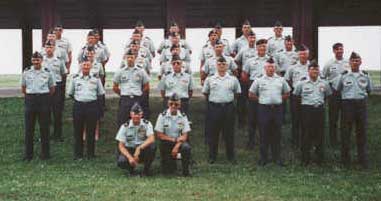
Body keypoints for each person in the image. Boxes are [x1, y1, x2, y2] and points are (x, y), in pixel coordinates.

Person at [332, 52, 373, 169]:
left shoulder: (365, 76)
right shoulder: (344, 76)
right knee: (345, 133)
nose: (355, 63)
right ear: (349, 63)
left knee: (361, 133)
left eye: (357, 60)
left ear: (360, 62)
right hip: (347, 105)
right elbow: (337, 88)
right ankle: (345, 160)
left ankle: (362, 160)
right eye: (353, 61)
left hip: (361, 105)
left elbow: (369, 90)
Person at [248, 57, 290, 166]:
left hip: (277, 109)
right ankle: (263, 159)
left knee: (277, 134)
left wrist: (279, 100)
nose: (271, 69)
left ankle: (277, 158)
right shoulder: (259, 80)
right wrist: (261, 100)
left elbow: (287, 93)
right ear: (265, 68)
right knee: (264, 134)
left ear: (275, 68)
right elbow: (251, 94)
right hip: (264, 110)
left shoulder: (281, 80)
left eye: (272, 67)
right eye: (268, 67)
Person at [202, 57, 241, 164]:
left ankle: (231, 156)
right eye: (219, 64)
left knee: (229, 133)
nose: (222, 66)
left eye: (224, 64)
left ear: (227, 65)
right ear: (216, 65)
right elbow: (206, 93)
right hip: (214, 108)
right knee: (213, 133)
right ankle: (212, 156)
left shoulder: (233, 79)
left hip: (228, 108)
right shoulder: (210, 79)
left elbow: (237, 93)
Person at [293, 61, 332, 166]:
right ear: (308, 71)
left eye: (316, 69)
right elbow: (296, 96)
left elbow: (328, 95)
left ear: (319, 71)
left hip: (319, 110)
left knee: (320, 135)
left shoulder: (324, 83)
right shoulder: (301, 83)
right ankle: (305, 159)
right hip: (306, 110)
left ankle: (320, 159)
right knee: (306, 134)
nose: (315, 71)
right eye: (312, 69)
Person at [68, 58, 105, 159]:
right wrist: (80, 100)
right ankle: (78, 154)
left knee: (91, 131)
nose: (86, 67)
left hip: (92, 106)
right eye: (84, 65)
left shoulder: (96, 79)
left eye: (88, 65)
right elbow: (70, 93)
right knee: (78, 131)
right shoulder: (75, 79)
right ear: (81, 66)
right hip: (79, 106)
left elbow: (100, 93)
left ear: (91, 66)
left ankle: (90, 154)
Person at [21, 52, 55, 161]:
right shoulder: (26, 72)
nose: (36, 62)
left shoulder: (47, 72)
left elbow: (52, 88)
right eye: (34, 60)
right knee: (29, 129)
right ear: (32, 61)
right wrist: (32, 95)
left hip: (43, 100)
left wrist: (43, 96)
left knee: (44, 128)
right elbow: (23, 88)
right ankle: (28, 155)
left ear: (41, 60)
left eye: (38, 60)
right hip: (30, 100)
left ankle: (46, 155)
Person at [241, 39, 270, 149]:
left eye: (264, 46)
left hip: (267, 87)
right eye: (260, 46)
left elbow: (276, 73)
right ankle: (251, 141)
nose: (262, 48)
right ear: (257, 48)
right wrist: (252, 85)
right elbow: (244, 74)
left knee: (265, 117)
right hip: (254, 86)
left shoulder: (271, 60)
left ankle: (265, 141)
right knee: (252, 116)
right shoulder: (250, 61)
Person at [155, 94, 192, 176]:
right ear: (168, 104)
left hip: (179, 142)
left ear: (179, 105)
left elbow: (185, 135)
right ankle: (169, 165)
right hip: (166, 142)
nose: (173, 106)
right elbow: (159, 135)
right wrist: (174, 140)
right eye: (171, 104)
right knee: (168, 171)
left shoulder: (183, 116)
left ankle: (186, 170)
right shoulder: (162, 116)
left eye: (176, 104)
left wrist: (177, 146)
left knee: (186, 147)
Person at [116, 103, 156, 176]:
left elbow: (151, 139)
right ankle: (131, 170)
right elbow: (121, 146)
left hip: (142, 150)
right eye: (135, 114)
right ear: (131, 114)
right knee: (121, 161)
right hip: (130, 149)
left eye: (139, 114)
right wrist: (130, 157)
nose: (137, 116)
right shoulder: (125, 126)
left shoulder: (147, 124)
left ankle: (146, 170)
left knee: (152, 147)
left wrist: (139, 148)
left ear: (142, 114)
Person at [321, 43, 349, 146]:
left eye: (341, 49)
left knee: (345, 118)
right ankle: (333, 140)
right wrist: (328, 91)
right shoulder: (329, 64)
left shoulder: (347, 62)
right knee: (333, 118)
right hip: (334, 93)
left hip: (346, 93)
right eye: (337, 50)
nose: (340, 51)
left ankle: (344, 139)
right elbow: (323, 77)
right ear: (334, 51)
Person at [113, 50, 150, 126]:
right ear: (125, 58)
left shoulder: (141, 71)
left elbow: (146, 86)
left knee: (138, 121)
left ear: (135, 58)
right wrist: (122, 94)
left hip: (137, 98)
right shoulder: (120, 71)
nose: (130, 59)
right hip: (125, 99)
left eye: (132, 57)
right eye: (128, 57)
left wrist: (140, 94)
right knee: (123, 121)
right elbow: (115, 87)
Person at [285, 44, 310, 148]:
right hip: (296, 96)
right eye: (301, 54)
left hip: (309, 96)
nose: (303, 56)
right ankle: (295, 141)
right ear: (298, 55)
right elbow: (287, 80)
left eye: (305, 54)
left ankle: (307, 141)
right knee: (296, 119)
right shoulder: (292, 67)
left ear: (308, 55)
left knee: (307, 120)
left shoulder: (312, 66)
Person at [42, 40, 66, 142]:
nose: (49, 49)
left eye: (51, 47)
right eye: (47, 47)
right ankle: (45, 136)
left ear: (54, 48)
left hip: (57, 88)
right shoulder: (41, 61)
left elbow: (63, 73)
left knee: (57, 113)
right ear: (44, 48)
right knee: (44, 113)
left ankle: (57, 135)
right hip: (45, 89)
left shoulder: (59, 61)